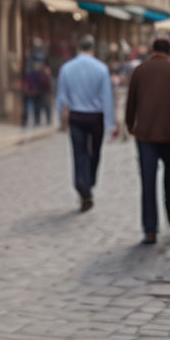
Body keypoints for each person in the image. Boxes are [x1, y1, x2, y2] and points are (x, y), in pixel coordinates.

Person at [124, 37, 170, 244]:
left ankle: (150, 229)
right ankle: (169, 205)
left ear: (153, 50)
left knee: (147, 181)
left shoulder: (140, 70)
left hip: (145, 133)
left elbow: (131, 101)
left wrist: (129, 123)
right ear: (169, 51)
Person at [55, 34, 116, 211]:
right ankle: (88, 183)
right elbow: (107, 98)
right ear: (93, 49)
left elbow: (61, 96)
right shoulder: (101, 69)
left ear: (78, 48)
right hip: (95, 117)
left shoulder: (67, 68)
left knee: (79, 152)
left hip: (76, 116)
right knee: (94, 152)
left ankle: (82, 186)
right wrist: (110, 122)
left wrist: (61, 118)